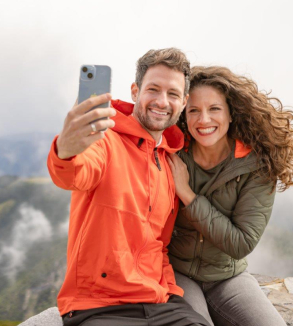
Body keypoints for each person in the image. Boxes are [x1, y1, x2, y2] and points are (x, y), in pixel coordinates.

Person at [47, 48, 210, 326]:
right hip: (98, 306)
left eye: (172, 94)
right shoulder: (104, 140)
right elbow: (72, 173)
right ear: (135, 91)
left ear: (182, 102)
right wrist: (66, 149)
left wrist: (167, 288)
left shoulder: (169, 160)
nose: (161, 101)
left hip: (161, 303)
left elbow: (157, 243)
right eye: (153, 89)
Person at [166, 66, 293, 326]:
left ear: (232, 113)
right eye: (194, 110)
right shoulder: (172, 154)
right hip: (175, 272)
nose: (203, 119)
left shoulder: (256, 166)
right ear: (184, 115)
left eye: (214, 109)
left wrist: (186, 193)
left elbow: (241, 243)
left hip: (227, 277)